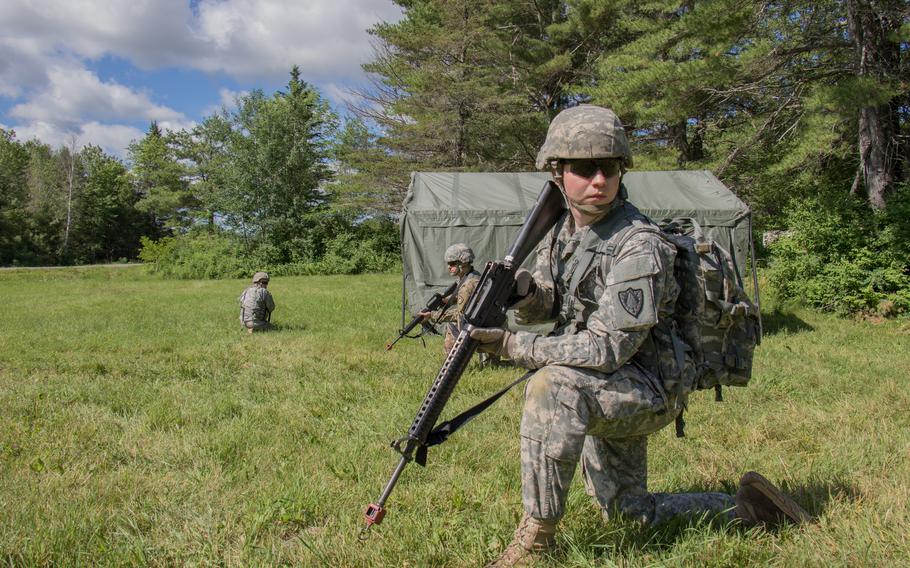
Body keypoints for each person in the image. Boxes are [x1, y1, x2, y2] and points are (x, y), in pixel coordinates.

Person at [468, 105, 810, 566]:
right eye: (585, 168)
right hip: (604, 380)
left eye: (609, 167)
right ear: (557, 171)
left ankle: (535, 539)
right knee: (630, 517)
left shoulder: (639, 244)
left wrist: (511, 346)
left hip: (647, 386)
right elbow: (552, 306)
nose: (599, 180)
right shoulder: (561, 232)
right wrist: (523, 294)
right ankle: (751, 508)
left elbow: (608, 348)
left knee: (552, 387)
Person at [420, 243, 481, 353]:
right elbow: (469, 300)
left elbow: (460, 315)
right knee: (491, 367)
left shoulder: (467, 284)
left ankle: (450, 361)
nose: (449, 267)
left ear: (462, 263)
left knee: (451, 325)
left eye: (452, 263)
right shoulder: (475, 276)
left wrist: (432, 315)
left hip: (475, 326)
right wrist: (447, 300)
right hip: (489, 322)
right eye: (448, 264)